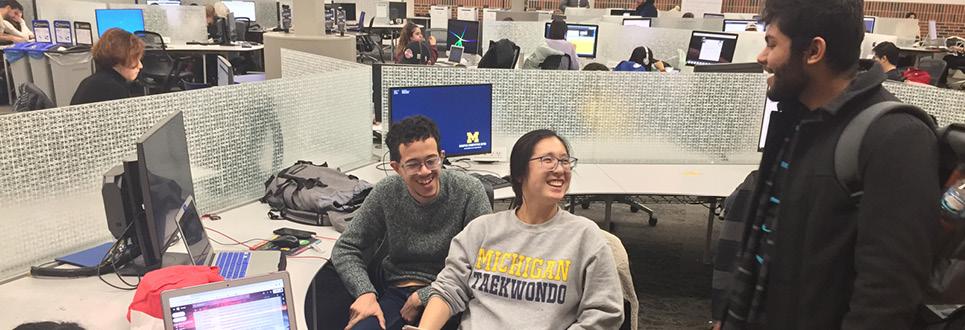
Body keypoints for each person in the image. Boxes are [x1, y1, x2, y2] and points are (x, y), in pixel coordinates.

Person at [720, 0, 939, 328]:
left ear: (813, 52)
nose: (762, 58)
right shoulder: (800, 120)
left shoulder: (896, 138)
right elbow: (764, 238)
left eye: (772, 44)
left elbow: (886, 299)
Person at [418, 129, 624, 329]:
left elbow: (604, 313)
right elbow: (448, 289)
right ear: (519, 172)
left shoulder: (586, 237)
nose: (560, 169)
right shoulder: (482, 230)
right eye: (548, 160)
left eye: (564, 161)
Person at [331, 116, 492, 330]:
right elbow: (346, 248)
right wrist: (365, 292)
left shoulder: (468, 191)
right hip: (397, 293)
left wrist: (424, 296)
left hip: (451, 295)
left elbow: (486, 262)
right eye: (414, 164)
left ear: (442, 157)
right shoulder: (387, 192)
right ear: (397, 167)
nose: (425, 171)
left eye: (431, 161)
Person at [70, 28, 144, 105]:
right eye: (135, 59)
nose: (140, 66)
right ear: (120, 56)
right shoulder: (112, 88)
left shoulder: (92, 81)